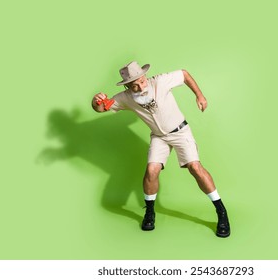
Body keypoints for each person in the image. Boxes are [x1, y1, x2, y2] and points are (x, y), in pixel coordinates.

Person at [91, 61, 230, 237]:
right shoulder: (125, 98)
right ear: (127, 86)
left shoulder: (160, 82)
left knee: (195, 167)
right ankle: (149, 212)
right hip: (158, 137)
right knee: (151, 170)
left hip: (180, 131)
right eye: (134, 85)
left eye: (141, 81)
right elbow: (101, 108)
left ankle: (221, 211)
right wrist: (96, 101)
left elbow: (184, 74)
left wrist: (200, 96)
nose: (140, 86)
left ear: (145, 76)